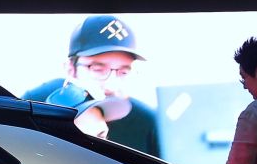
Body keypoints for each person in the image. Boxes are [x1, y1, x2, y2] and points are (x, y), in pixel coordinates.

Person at [22, 15, 160, 155]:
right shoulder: (35, 104)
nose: (111, 85)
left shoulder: (149, 122)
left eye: (123, 72)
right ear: (70, 68)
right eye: (98, 69)